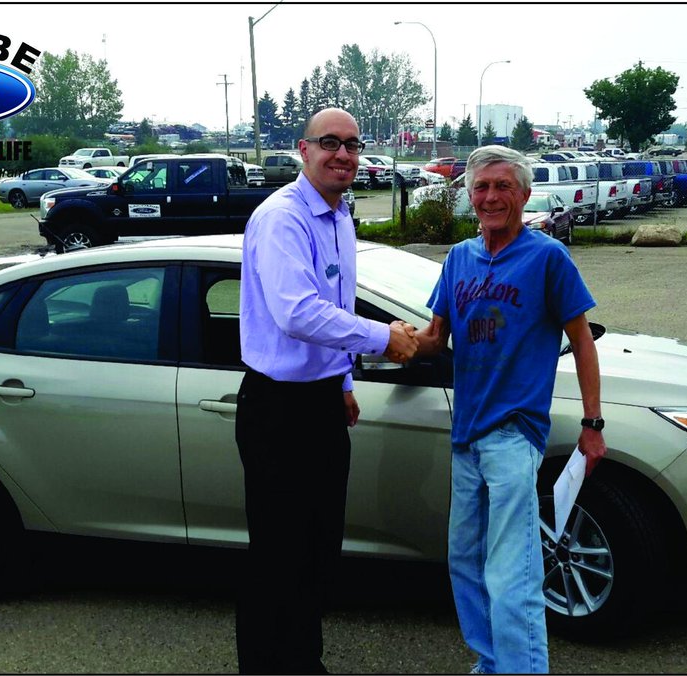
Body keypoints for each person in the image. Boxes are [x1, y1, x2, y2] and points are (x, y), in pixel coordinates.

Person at [236, 107, 418, 674]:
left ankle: (301, 660)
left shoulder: (339, 217)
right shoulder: (282, 218)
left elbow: (335, 308)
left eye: (353, 146)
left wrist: (341, 380)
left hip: (319, 403)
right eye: (330, 143)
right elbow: (297, 313)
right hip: (276, 408)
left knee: (318, 548)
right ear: (303, 149)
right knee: (278, 553)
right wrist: (384, 338)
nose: (343, 155)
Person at [413, 145, 607, 674]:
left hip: (513, 433)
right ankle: (493, 660)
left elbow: (583, 341)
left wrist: (592, 423)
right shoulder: (458, 258)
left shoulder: (547, 258)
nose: (491, 196)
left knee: (512, 569)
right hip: (466, 437)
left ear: (524, 194)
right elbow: (435, 338)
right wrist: (382, 340)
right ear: (469, 197)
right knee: (466, 564)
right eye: (481, 187)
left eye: (503, 186)